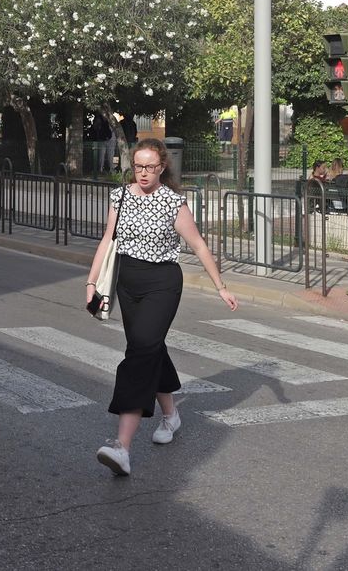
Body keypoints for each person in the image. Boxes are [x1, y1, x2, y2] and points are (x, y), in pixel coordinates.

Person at [88, 138, 236, 477]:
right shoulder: (120, 196)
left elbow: (197, 245)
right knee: (148, 349)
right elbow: (107, 241)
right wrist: (90, 283)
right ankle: (171, 415)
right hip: (127, 282)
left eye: (150, 167)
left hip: (162, 283)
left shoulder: (173, 203)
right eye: (138, 166)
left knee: (139, 354)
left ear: (162, 167)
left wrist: (221, 287)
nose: (143, 173)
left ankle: (122, 447)